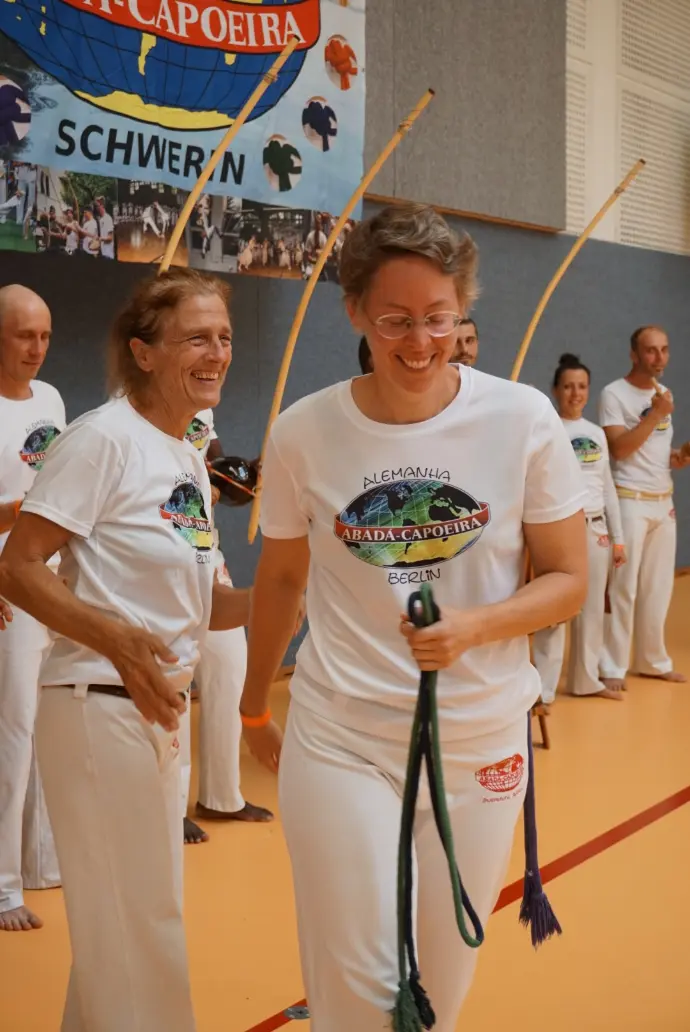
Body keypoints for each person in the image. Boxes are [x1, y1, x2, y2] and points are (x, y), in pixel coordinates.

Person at [239, 202, 588, 1032]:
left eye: (440, 318)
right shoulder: (303, 432)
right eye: (395, 319)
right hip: (344, 739)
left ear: (463, 314)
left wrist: (474, 627)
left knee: (437, 989)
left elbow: (570, 579)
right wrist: (251, 705)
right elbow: (281, 577)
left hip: (481, 742)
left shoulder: (522, 420)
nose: (421, 342)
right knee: (363, 989)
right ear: (355, 312)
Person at [0, 268, 253, 1030]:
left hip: (158, 713)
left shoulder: (185, 457)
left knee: (124, 929)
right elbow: (17, 565)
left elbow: (206, 607)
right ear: (143, 352)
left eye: (224, 338)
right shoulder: (102, 439)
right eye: (196, 338)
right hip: (96, 709)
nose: (217, 353)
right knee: (144, 932)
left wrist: (295, 588)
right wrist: (119, 642)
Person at [0, 284, 65, 932]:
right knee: (13, 730)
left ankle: (41, 859)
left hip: (51, 577)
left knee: (47, 722)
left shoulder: (50, 399)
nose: (37, 348)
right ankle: (2, 886)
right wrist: (27, 512)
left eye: (44, 335)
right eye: (25, 335)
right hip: (7, 581)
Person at [181, 407, 273, 846]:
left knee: (229, 670)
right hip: (162, 564)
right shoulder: (133, 404)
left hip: (208, 557)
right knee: (173, 689)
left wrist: (248, 475)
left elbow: (219, 470)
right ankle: (168, 805)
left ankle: (221, 796)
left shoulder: (202, 407)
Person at [598, 326, 690, 692]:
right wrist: (655, 414)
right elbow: (619, 449)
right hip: (629, 501)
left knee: (658, 588)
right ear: (634, 354)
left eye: (664, 350)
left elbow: (651, 450)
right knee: (623, 588)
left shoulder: (663, 394)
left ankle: (653, 661)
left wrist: (675, 457)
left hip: (663, 502)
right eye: (651, 350)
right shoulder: (613, 394)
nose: (659, 357)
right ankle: (612, 666)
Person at [532, 354, 626, 704]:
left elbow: (607, 487)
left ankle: (586, 680)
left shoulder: (596, 433)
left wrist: (618, 538)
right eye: (568, 386)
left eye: (582, 386)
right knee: (554, 609)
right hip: (561, 530)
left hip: (596, 529)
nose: (576, 393)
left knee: (592, 609)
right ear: (556, 390)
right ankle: (543, 690)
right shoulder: (548, 430)